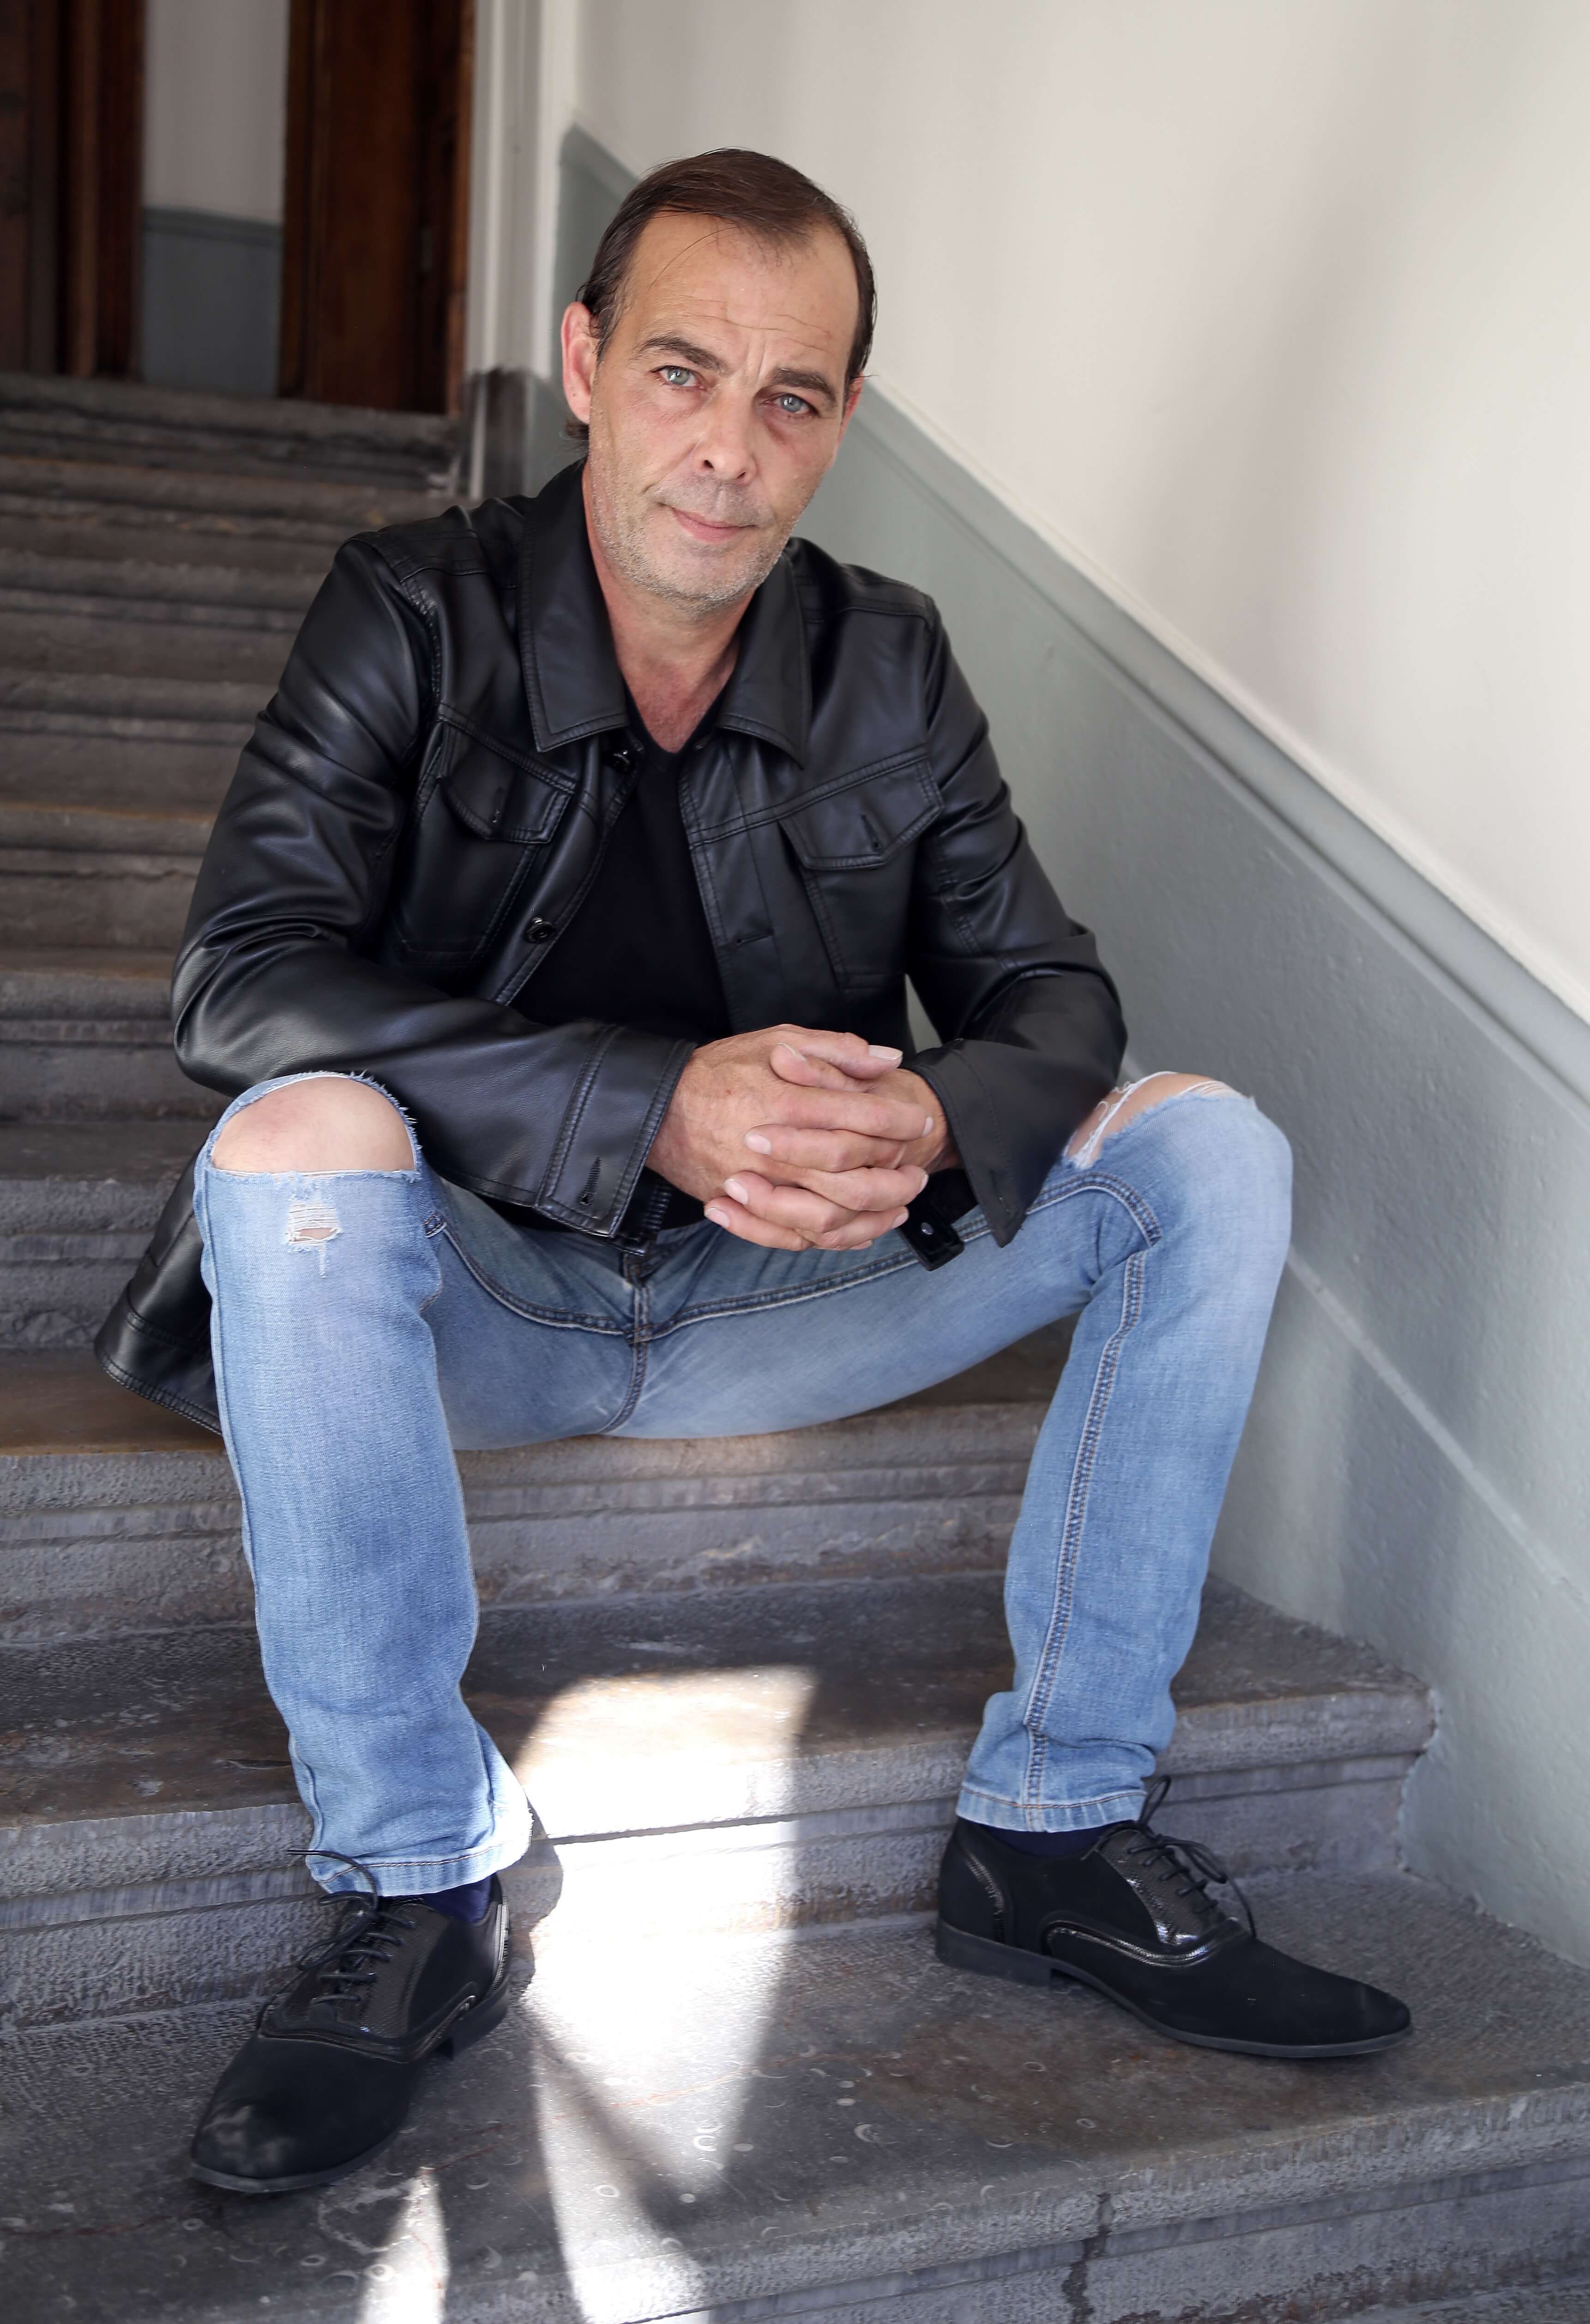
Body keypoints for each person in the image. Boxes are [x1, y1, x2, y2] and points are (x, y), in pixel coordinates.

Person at [98, 149, 1409, 2198]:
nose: (729, 448)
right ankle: (417, 1877)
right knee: (293, 1140)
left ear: (842, 421)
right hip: (478, 1301)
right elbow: (240, 976)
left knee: (1204, 1148)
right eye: (683, 374)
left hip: (776, 1290)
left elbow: (1051, 993)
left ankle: (1057, 1823)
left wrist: (931, 1119)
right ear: (585, 365)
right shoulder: (410, 608)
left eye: (790, 398)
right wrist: (649, 1103)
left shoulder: (890, 659)